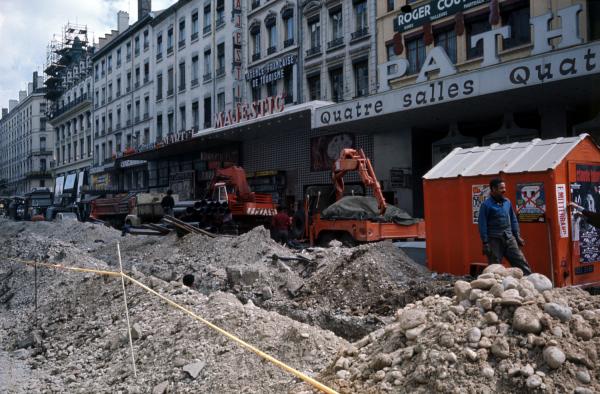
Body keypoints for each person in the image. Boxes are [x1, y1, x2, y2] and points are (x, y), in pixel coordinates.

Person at [478, 178, 532, 275]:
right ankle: (496, 287)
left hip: (509, 238)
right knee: (495, 268)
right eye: (501, 188)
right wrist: (485, 242)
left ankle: (530, 283)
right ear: (493, 189)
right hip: (494, 240)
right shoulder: (486, 205)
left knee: (521, 262)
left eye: (504, 187)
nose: (504, 190)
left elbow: (513, 219)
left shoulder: (507, 202)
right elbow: (482, 225)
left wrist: (517, 235)